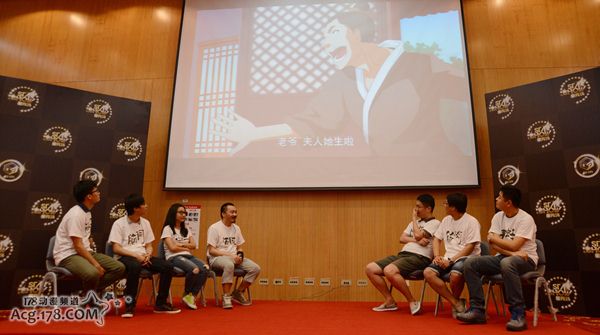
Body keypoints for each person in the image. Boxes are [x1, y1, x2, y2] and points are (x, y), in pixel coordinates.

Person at [212, 6, 473, 165]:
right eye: (323, 38)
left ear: (357, 32)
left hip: (432, 165)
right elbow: (311, 121)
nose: (325, 43)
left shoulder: (417, 59)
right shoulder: (343, 80)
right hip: (381, 169)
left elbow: (458, 89)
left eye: (332, 32)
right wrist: (254, 133)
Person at [456, 186, 538, 331]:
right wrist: (510, 251)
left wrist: (497, 240)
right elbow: (494, 245)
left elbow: (514, 245)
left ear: (508, 202)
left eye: (499, 197)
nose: (496, 199)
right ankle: (477, 310)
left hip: (527, 260)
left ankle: (518, 314)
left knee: (507, 263)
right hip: (506, 257)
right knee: (470, 263)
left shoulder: (526, 219)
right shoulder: (498, 217)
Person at [365, 194, 440, 315]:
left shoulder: (435, 223)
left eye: (419, 207)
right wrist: (417, 240)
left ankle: (412, 301)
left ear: (429, 208)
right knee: (370, 269)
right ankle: (390, 301)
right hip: (403, 255)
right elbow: (402, 238)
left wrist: (414, 222)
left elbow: (418, 235)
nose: (415, 210)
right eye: (415, 206)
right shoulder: (414, 223)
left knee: (389, 270)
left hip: (420, 258)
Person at [108, 194, 181, 317]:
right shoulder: (119, 224)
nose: (146, 206)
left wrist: (148, 254)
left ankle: (160, 304)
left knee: (168, 266)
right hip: (125, 256)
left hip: (143, 256)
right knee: (135, 266)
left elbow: (149, 245)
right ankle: (129, 306)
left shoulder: (145, 223)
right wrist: (136, 256)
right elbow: (116, 248)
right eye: (144, 204)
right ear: (136, 208)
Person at [52, 180, 125, 300]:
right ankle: (89, 298)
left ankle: (86, 295)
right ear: (89, 196)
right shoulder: (76, 214)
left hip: (84, 251)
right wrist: (96, 264)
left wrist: (89, 240)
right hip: (68, 255)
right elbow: (78, 246)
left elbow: (82, 239)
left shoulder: (86, 212)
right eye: (96, 191)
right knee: (93, 273)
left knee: (119, 268)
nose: (99, 193)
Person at [423, 192, 481, 318]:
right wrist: (437, 256)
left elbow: (470, 247)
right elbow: (437, 239)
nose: (444, 205)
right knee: (428, 273)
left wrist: (451, 261)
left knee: (455, 276)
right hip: (448, 257)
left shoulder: (472, 222)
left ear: (453, 208)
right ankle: (456, 303)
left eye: (446, 203)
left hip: (467, 258)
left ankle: (456, 302)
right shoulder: (446, 220)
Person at [207, 202, 261, 309]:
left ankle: (238, 292)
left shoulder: (236, 228)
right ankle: (226, 297)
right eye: (232, 212)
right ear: (223, 214)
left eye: (235, 212)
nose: (235, 214)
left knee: (255, 268)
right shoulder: (214, 228)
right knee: (229, 265)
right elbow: (211, 250)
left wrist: (240, 255)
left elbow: (239, 247)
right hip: (217, 258)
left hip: (233, 258)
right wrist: (231, 256)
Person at [160, 203, 209, 310]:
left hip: (187, 256)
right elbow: (172, 248)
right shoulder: (167, 229)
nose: (183, 215)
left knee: (205, 268)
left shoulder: (186, 229)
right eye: (180, 212)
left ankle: (191, 296)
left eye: (184, 213)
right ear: (173, 213)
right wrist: (185, 247)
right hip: (174, 257)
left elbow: (194, 245)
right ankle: (187, 294)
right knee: (195, 269)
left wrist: (180, 245)